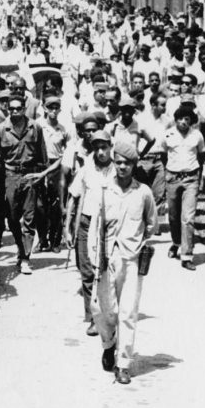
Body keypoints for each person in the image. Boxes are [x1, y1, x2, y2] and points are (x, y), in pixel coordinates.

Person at [91, 141, 157, 385]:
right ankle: (109, 344)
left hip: (131, 259)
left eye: (127, 163)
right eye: (118, 162)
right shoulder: (104, 190)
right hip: (105, 258)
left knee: (128, 313)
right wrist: (92, 257)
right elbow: (95, 226)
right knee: (102, 310)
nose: (122, 167)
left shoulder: (143, 193)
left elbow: (152, 225)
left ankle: (123, 363)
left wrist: (139, 243)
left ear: (134, 165)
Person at [64, 128, 114, 336]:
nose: (100, 152)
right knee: (87, 272)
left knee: (108, 271)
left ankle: (109, 315)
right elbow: (73, 198)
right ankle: (93, 317)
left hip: (110, 225)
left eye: (104, 147)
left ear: (111, 148)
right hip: (86, 223)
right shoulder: (85, 170)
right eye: (96, 148)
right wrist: (67, 228)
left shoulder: (118, 169)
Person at [0, 96, 48, 274]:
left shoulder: (35, 127)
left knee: (29, 218)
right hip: (11, 175)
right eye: (12, 109)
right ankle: (20, 247)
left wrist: (41, 177)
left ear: (24, 109)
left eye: (18, 108)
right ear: (8, 109)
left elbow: (42, 155)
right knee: (13, 217)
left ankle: (25, 258)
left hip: (30, 175)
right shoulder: (1, 129)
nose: (15, 112)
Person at [164, 105, 205, 271]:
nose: (183, 122)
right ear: (176, 120)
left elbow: (202, 154)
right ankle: (176, 242)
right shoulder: (168, 134)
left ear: (191, 121)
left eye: (187, 119)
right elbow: (163, 154)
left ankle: (187, 255)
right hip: (172, 178)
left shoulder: (197, 135)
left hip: (190, 179)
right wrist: (169, 171)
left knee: (188, 218)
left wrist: (198, 173)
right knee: (174, 216)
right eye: (180, 119)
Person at [37, 95, 69, 252]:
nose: (53, 111)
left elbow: (67, 151)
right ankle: (41, 239)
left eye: (56, 108)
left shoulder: (63, 130)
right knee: (39, 206)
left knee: (56, 205)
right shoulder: (38, 126)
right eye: (50, 107)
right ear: (44, 108)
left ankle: (55, 241)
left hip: (56, 167)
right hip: (40, 166)